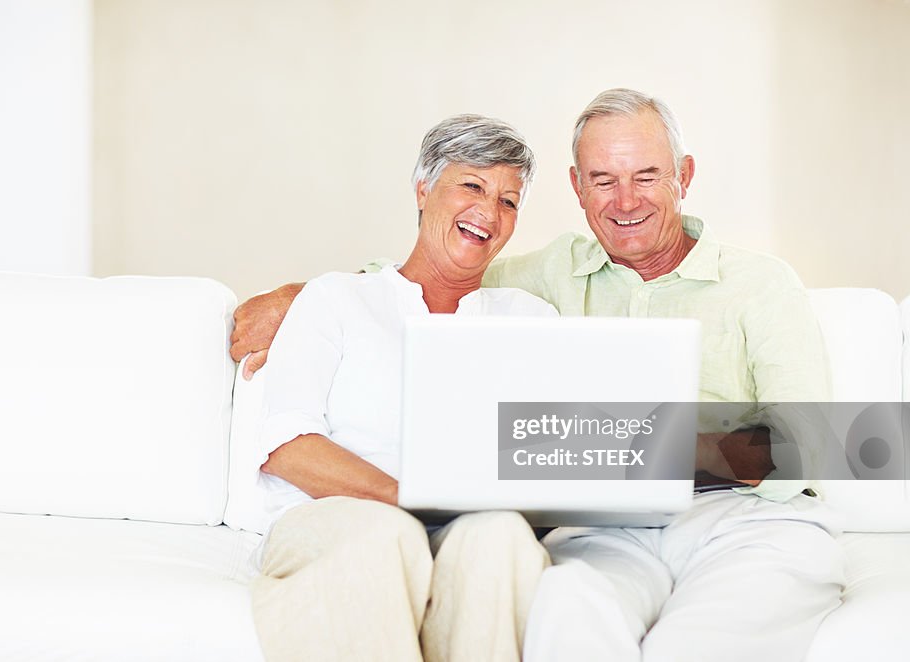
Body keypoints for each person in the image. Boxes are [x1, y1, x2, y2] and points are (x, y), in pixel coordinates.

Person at [231, 89, 845, 662]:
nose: (625, 201)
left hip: (742, 518)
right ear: (577, 189)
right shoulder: (547, 280)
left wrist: (679, 448)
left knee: (690, 645)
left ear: (684, 176)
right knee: (566, 614)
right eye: (604, 180)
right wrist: (299, 295)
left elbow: (812, 445)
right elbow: (436, 275)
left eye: (646, 176)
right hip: (613, 534)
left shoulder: (760, 284)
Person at [248, 114, 557, 662]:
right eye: (472, 186)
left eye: (509, 201)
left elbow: (551, 451)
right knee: (387, 535)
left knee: (503, 538)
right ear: (422, 189)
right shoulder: (336, 299)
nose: (489, 212)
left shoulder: (528, 319)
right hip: (335, 517)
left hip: (467, 523)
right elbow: (286, 447)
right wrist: (411, 501)